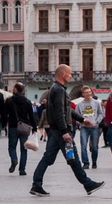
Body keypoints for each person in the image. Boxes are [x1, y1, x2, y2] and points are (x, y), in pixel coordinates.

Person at [30, 64, 104, 197]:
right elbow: (60, 112)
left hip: (56, 131)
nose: (71, 76)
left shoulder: (58, 89)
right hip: (61, 131)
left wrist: (82, 120)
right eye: (69, 73)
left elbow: (67, 110)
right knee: (73, 158)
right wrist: (65, 131)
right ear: (63, 74)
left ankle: (36, 184)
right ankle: (88, 184)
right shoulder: (59, 90)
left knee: (48, 158)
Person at [6, 82, 37, 176]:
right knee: (24, 149)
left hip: (13, 126)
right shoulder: (27, 101)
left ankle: (14, 160)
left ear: (16, 89)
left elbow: (4, 113)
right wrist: (34, 127)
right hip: (24, 127)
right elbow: (31, 115)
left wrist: (4, 123)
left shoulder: (9, 100)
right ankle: (22, 169)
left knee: (12, 146)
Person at [75, 86, 103, 169]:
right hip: (84, 127)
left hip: (94, 127)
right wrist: (81, 122)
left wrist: (96, 122)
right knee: (83, 146)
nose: (88, 94)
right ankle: (86, 163)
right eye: (86, 92)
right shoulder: (79, 105)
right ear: (83, 94)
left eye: (89, 92)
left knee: (94, 146)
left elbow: (101, 114)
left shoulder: (96, 103)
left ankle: (94, 161)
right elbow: (76, 116)